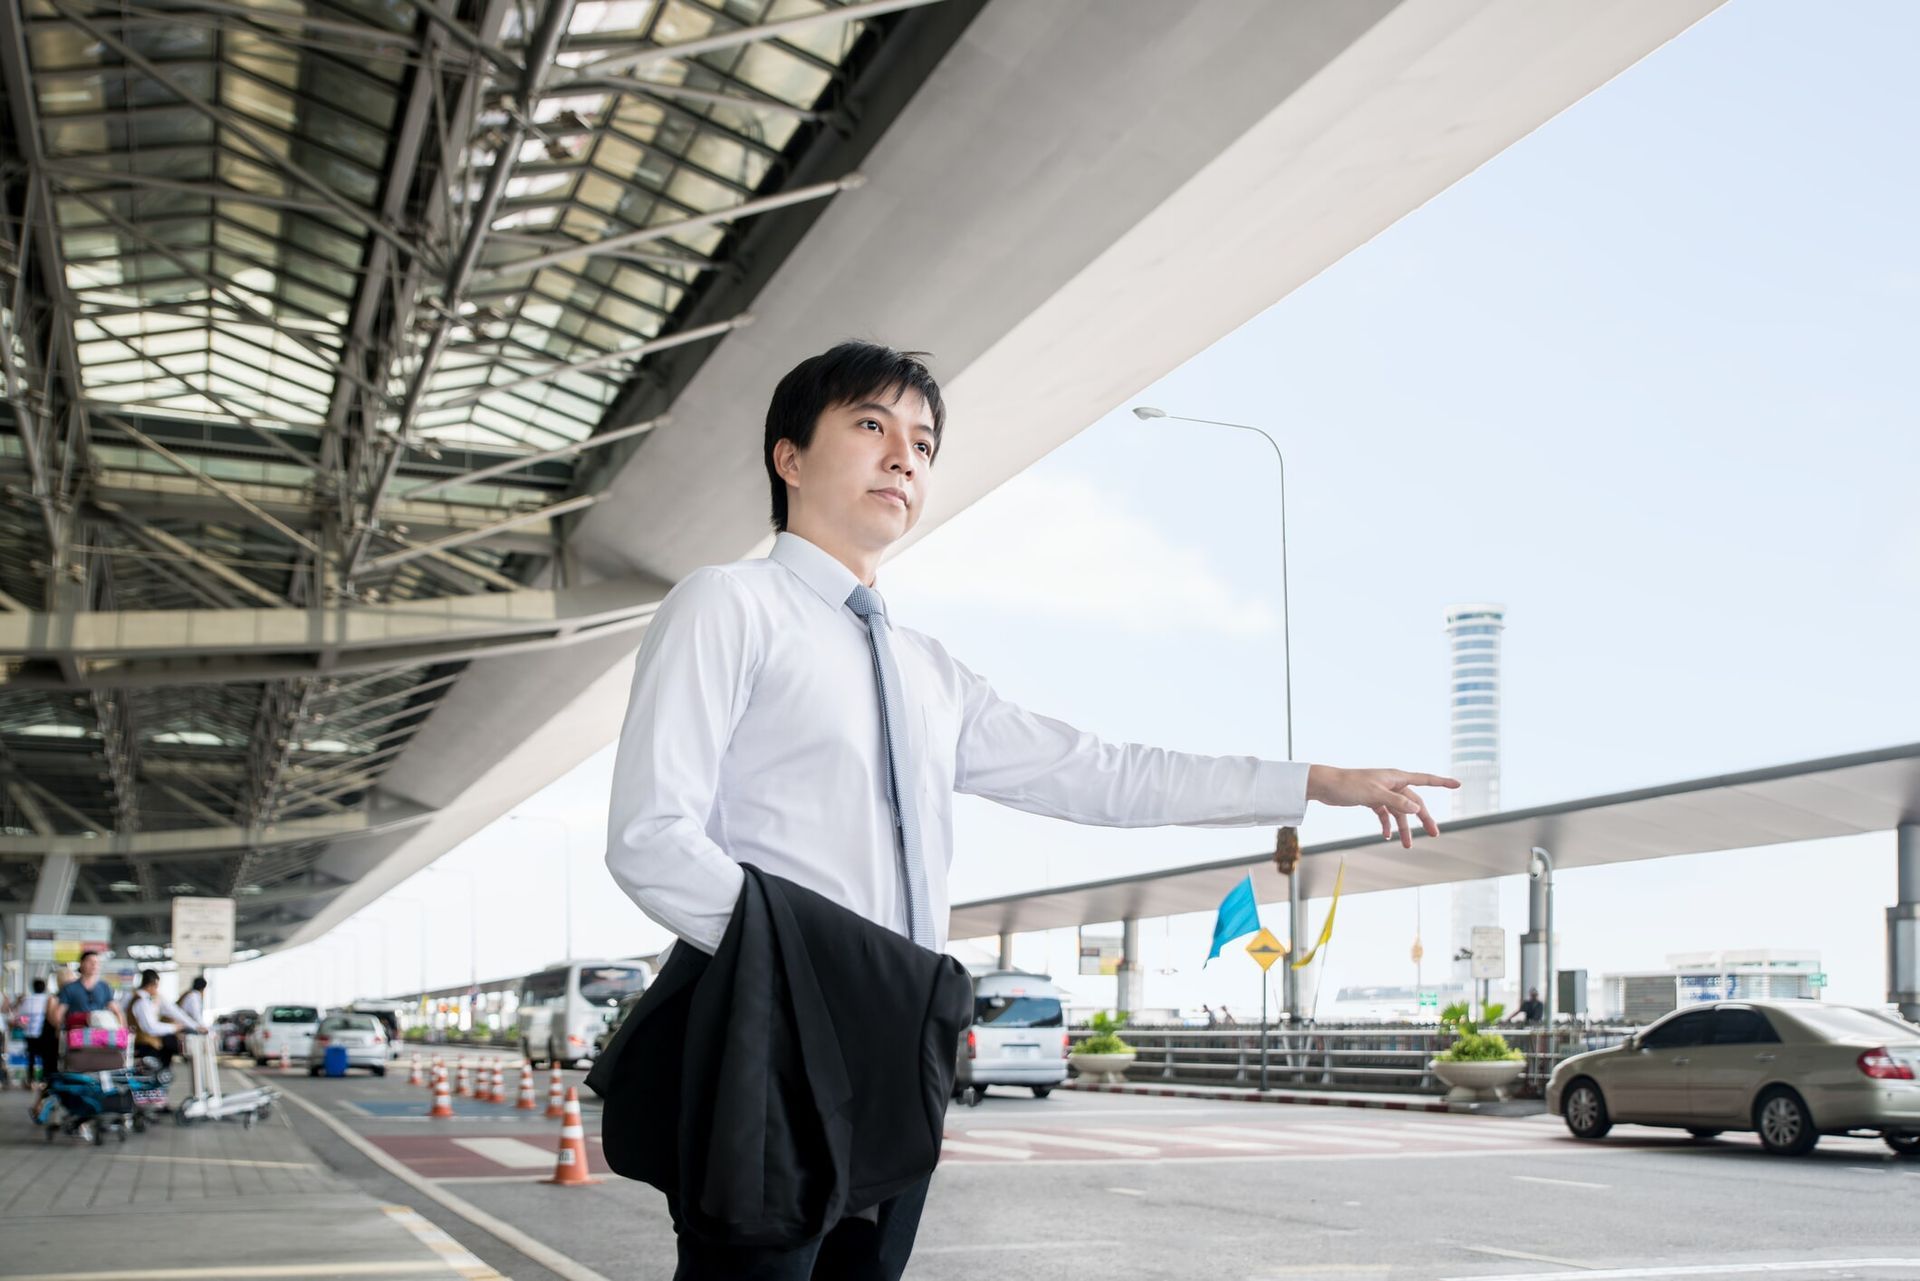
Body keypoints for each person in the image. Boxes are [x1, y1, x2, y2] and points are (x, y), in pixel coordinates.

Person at [604, 342, 1458, 1280]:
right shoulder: (730, 605)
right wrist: (809, 965)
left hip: (900, 1036)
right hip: (775, 1032)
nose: (904, 457)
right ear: (790, 456)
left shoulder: (931, 671)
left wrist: (1309, 782)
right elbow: (651, 839)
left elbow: (1100, 772)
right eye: (871, 425)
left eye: (924, 444)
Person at [128, 970, 204, 1073]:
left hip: (150, 1041)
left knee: (171, 1042)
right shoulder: (142, 1002)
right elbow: (150, 1028)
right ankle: (163, 1076)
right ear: (152, 984)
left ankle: (164, 1075)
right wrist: (174, 1027)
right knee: (172, 1043)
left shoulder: (147, 999)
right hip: (145, 1044)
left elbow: (174, 1012)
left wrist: (195, 1026)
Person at [50, 950, 121, 1031]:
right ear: (82, 963)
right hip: (76, 1034)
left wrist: (122, 1032)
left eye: (97, 962)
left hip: (99, 1035)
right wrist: (63, 1031)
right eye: (90, 962)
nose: (94, 965)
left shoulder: (104, 987)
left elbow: (116, 1011)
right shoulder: (69, 988)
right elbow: (59, 1014)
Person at [16, 979, 55, 1084]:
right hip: (45, 1033)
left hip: (30, 1033)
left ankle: (30, 1079)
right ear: (44, 988)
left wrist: (25, 1025)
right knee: (45, 1057)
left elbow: (21, 1017)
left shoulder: (28, 1000)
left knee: (31, 1056)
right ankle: (44, 1079)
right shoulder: (48, 1000)